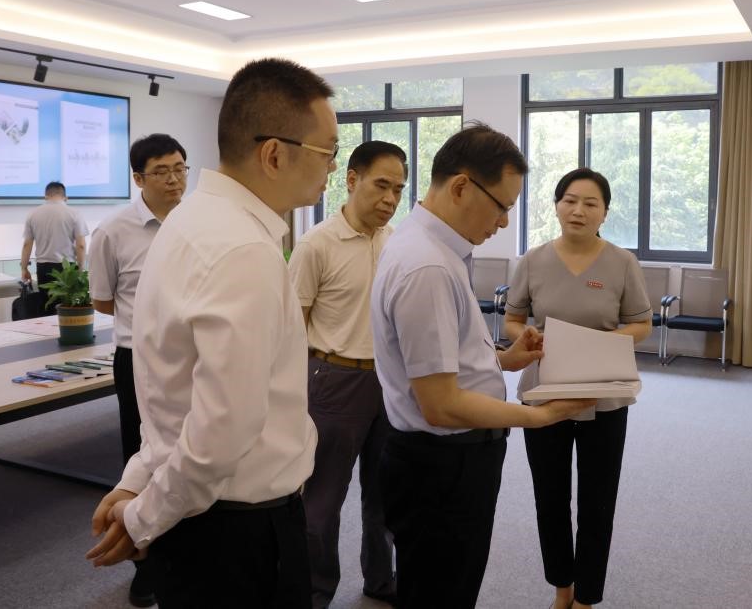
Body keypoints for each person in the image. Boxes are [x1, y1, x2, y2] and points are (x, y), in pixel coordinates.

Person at [85, 57, 339, 609]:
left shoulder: (192, 219)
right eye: (329, 152)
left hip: (202, 516)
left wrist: (140, 478)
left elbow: (171, 388)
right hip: (238, 532)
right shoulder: (242, 248)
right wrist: (143, 517)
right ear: (274, 154)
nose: (333, 169)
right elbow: (222, 429)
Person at [370, 123, 594, 609]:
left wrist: (503, 360)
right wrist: (539, 416)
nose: (504, 223)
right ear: (460, 187)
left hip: (445, 460)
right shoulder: (428, 266)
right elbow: (441, 404)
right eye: (501, 206)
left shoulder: (435, 250)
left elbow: (440, 359)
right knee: (441, 593)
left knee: (444, 585)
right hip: (443, 465)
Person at [503, 168, 652, 609]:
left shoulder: (622, 262)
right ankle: (561, 589)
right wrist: (528, 337)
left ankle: (586, 598)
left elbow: (642, 324)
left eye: (590, 203)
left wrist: (601, 344)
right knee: (549, 498)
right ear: (556, 206)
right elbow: (513, 319)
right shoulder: (533, 260)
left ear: (604, 212)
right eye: (569, 200)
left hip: (604, 394)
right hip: (544, 392)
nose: (578, 210)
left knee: (597, 502)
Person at [291, 140, 407, 608]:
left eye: (398, 189)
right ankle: (315, 592)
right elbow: (291, 328)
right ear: (352, 179)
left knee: (385, 494)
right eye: (382, 185)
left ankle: (380, 579)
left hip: (389, 382)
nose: (390, 199)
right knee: (322, 500)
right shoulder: (316, 244)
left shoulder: (395, 241)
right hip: (334, 380)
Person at [88, 133, 188, 608]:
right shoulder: (113, 230)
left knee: (191, 448)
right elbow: (103, 300)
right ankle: (145, 563)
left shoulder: (197, 221)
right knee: (141, 455)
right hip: (138, 359)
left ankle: (188, 548)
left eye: (180, 169)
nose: (174, 180)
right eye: (162, 172)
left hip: (192, 354)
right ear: (138, 178)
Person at [20, 181, 88, 316]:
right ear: (65, 197)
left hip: (43, 267)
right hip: (67, 269)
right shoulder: (74, 213)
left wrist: (24, 268)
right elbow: (81, 245)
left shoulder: (33, 214)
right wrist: (80, 269)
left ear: (46, 196)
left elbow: (27, 244)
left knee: (47, 307)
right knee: (67, 309)